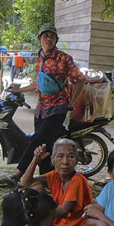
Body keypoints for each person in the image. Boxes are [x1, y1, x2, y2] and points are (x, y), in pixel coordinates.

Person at [9, 24, 103, 178]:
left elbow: (80, 80)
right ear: (40, 39)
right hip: (40, 110)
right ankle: (45, 179)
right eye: (45, 35)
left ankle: (19, 174)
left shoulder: (64, 59)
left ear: (56, 40)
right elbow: (38, 83)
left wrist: (71, 103)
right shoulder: (40, 60)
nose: (48, 38)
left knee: (36, 140)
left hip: (57, 109)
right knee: (46, 146)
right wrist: (19, 90)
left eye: (52, 36)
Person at [22, 138, 94, 226]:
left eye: (70, 157)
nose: (65, 162)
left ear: (76, 161)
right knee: (37, 187)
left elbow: (63, 211)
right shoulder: (55, 175)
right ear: (53, 160)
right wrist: (36, 159)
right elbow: (26, 182)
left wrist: (36, 214)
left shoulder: (77, 179)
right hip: (60, 224)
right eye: (60, 156)